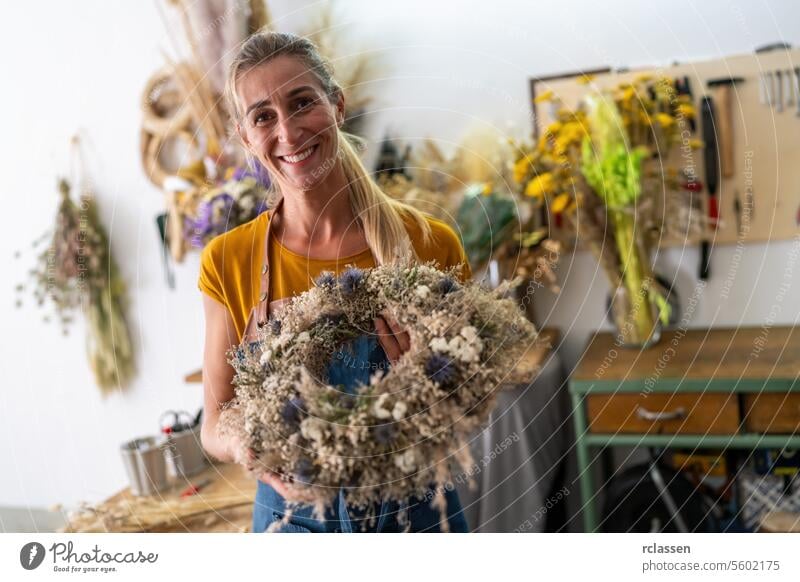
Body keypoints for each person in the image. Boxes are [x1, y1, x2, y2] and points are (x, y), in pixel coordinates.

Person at [198, 30, 472, 532]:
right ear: (245, 137)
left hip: (411, 515)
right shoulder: (228, 261)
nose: (288, 131)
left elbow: (472, 401)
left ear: (338, 105)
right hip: (292, 522)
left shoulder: (429, 243)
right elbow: (212, 423)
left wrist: (428, 382)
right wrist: (243, 442)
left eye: (302, 102)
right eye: (263, 116)